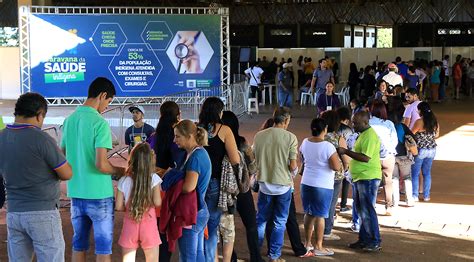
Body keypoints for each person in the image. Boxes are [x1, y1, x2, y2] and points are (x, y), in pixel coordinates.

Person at [0, 93, 73, 261]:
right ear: (40, 114)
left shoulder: (1, 137)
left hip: (14, 211)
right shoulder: (42, 139)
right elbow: (67, 173)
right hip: (43, 213)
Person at [61, 77, 126, 262]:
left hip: (76, 193)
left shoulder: (69, 120)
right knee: (103, 249)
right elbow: (102, 164)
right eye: (109, 101)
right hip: (99, 196)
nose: (106, 106)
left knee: (78, 245)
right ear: (103, 95)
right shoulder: (100, 123)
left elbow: (63, 155)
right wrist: (119, 171)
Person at [253, 107, 298, 262]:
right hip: (283, 186)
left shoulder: (259, 136)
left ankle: (256, 252)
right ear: (286, 121)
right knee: (279, 222)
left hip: (264, 184)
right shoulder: (291, 137)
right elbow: (292, 166)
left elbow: (253, 158)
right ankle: (274, 255)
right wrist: (294, 171)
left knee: (261, 220)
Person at [198, 97, 240, 262]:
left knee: (199, 224)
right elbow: (235, 159)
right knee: (212, 225)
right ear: (219, 112)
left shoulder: (197, 128)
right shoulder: (224, 130)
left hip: (197, 182)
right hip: (215, 182)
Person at [222, 111, 263, 262]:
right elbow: (253, 167)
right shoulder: (242, 143)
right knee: (251, 224)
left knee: (226, 227)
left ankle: (231, 258)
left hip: (225, 190)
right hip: (242, 189)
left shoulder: (218, 144)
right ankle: (256, 257)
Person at [337, 111, 382, 252]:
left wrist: (346, 152)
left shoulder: (369, 135)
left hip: (367, 177)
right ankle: (364, 239)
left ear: (365, 122)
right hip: (360, 177)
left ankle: (374, 240)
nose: (353, 125)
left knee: (367, 210)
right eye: (352, 122)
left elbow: (365, 157)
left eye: (355, 123)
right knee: (362, 210)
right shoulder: (362, 134)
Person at [147, 101, 186, 262]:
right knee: (169, 233)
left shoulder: (153, 137)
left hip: (154, 188)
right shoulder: (178, 139)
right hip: (172, 189)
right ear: (178, 116)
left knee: (156, 231)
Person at [299, 118, 341, 257]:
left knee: (309, 213)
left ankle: (307, 243)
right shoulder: (328, 146)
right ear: (325, 129)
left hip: (306, 182)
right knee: (321, 215)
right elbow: (336, 166)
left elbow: (302, 159)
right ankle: (319, 246)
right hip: (323, 185)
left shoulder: (305, 142)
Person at [173, 120, 212, 261]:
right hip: (199, 211)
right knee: (198, 253)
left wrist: (171, 184)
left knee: (187, 257)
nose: (174, 140)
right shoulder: (198, 153)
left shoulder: (195, 157)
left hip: (191, 213)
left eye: (177, 136)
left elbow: (188, 187)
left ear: (189, 136)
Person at [116, 143, 162, 262]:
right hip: (149, 224)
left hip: (130, 223)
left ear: (132, 159)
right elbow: (157, 202)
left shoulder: (123, 180)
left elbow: (118, 206)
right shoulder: (154, 178)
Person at [320, 111, 350, 241]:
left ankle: (318, 227)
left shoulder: (319, 137)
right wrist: (346, 167)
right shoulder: (339, 138)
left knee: (320, 202)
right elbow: (345, 158)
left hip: (319, 175)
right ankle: (327, 230)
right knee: (331, 203)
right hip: (335, 175)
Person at [369, 101, 398, 215]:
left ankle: (372, 205)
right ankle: (388, 207)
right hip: (388, 156)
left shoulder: (368, 123)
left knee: (373, 181)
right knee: (388, 181)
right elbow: (394, 141)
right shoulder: (389, 123)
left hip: (372, 157)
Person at [388, 97, 416, 207]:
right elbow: (413, 139)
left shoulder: (388, 128)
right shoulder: (403, 127)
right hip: (404, 155)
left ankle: (395, 202)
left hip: (391, 156)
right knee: (407, 178)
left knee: (393, 178)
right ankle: (409, 200)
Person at [411, 102, 439, 202]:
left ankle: (415, 195)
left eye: (418, 109)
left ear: (421, 111)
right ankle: (427, 196)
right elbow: (436, 135)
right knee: (427, 173)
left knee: (415, 173)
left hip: (420, 150)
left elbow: (411, 134)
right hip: (432, 150)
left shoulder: (419, 121)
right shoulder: (434, 121)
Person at [336, 106, 354, 212]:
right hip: (345, 158)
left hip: (333, 158)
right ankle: (343, 204)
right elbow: (350, 145)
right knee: (346, 181)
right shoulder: (347, 130)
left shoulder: (333, 127)